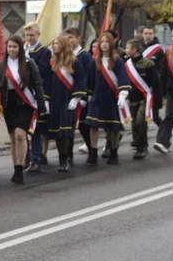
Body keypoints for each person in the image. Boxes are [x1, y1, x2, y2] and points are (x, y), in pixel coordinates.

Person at [0, 35, 46, 184]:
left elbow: (37, 84)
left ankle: (21, 168)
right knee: (13, 138)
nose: (12, 49)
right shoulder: (1, 65)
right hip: (9, 104)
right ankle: (16, 167)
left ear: (20, 48)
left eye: (15, 47)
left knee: (21, 135)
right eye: (9, 47)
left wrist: (42, 104)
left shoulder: (28, 63)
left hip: (25, 103)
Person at [84, 32, 131, 166]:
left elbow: (123, 78)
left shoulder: (118, 61)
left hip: (112, 98)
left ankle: (114, 152)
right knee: (93, 125)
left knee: (113, 126)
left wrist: (122, 95)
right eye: (102, 42)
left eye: (106, 42)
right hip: (97, 98)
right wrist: (87, 96)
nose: (104, 44)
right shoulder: (95, 61)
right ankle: (93, 152)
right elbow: (90, 81)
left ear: (111, 44)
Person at [46, 36, 86, 172]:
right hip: (55, 102)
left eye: (57, 43)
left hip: (68, 102)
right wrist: (46, 99)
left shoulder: (74, 62)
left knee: (65, 131)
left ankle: (66, 157)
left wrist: (76, 99)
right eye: (54, 43)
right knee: (57, 132)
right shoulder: (52, 62)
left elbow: (80, 80)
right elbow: (48, 83)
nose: (54, 46)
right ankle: (62, 158)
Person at [22, 23, 52, 174]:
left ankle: (36, 159)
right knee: (24, 129)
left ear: (38, 34)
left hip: (36, 94)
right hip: (23, 94)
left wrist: (28, 64)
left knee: (36, 129)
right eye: (26, 35)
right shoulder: (22, 50)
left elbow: (43, 71)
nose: (28, 38)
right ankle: (25, 158)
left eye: (31, 35)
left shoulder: (44, 51)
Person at [123, 38, 159, 160]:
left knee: (140, 121)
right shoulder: (127, 64)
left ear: (134, 49)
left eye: (128, 48)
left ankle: (143, 146)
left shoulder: (148, 64)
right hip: (132, 98)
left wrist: (158, 101)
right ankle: (137, 144)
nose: (126, 50)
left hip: (144, 98)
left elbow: (155, 82)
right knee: (134, 124)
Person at [64, 27, 95, 156]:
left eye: (71, 37)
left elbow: (87, 77)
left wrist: (83, 96)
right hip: (68, 96)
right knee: (69, 125)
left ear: (78, 38)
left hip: (82, 96)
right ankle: (68, 154)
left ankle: (91, 148)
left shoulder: (85, 56)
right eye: (66, 38)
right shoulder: (65, 56)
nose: (68, 41)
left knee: (83, 125)